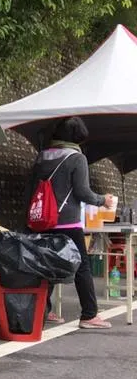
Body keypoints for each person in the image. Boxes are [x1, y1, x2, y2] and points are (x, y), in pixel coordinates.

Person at [26, 116, 116, 329]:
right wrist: (103, 200)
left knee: (45, 265)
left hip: (43, 220)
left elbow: (31, 190)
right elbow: (82, 192)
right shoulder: (76, 158)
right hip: (67, 223)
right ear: (78, 137)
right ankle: (89, 315)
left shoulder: (42, 157)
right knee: (82, 267)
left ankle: (44, 310)